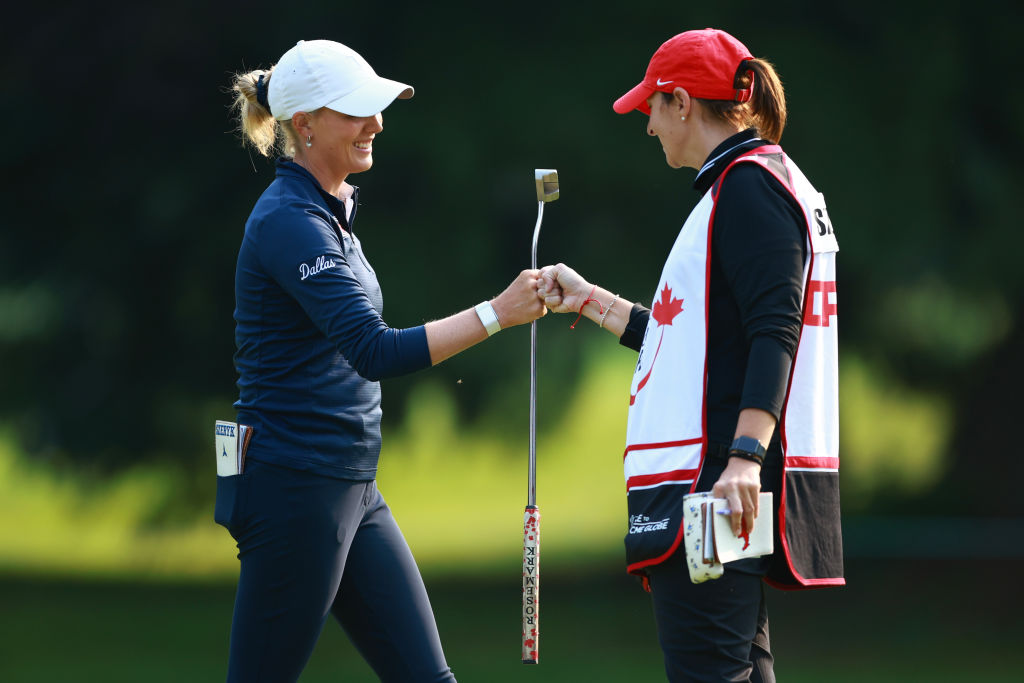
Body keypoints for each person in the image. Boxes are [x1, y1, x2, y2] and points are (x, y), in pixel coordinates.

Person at [218, 39, 546, 683]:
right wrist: (497, 313)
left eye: (377, 109)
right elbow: (374, 349)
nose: (377, 124)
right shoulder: (291, 222)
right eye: (357, 112)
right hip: (294, 487)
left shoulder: (332, 217)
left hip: (351, 487)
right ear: (305, 125)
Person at [539, 28, 844, 682]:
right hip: (719, 488)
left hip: (714, 489)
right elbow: (695, 344)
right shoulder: (747, 181)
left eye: (652, 106)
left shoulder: (745, 188)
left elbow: (773, 330)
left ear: (682, 103)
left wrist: (744, 458)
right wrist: (589, 299)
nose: (647, 126)